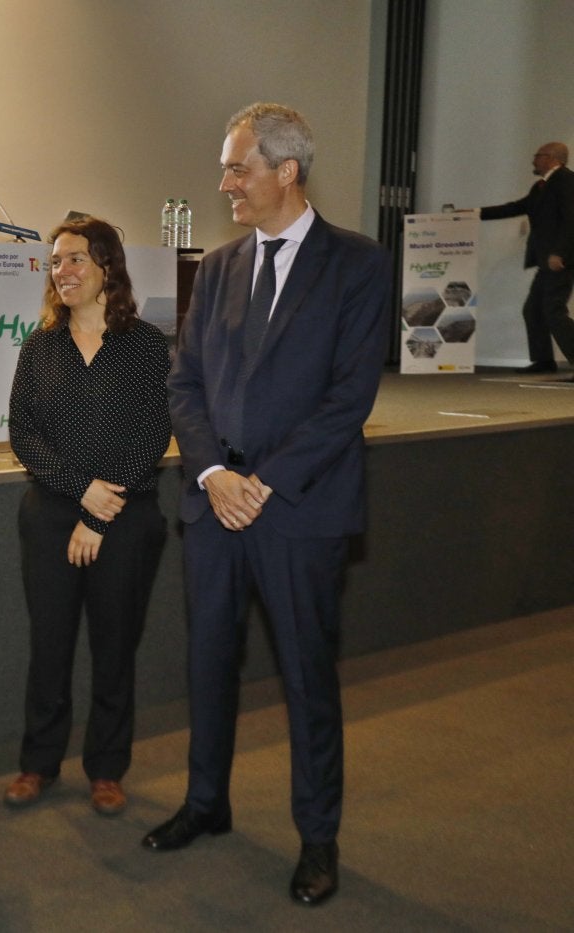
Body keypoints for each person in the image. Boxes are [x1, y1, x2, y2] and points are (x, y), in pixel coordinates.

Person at [146, 102, 390, 908]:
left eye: (237, 169)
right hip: (215, 504)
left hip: (300, 510)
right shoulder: (216, 268)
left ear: (287, 171)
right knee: (208, 663)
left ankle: (318, 839)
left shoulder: (356, 264)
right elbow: (184, 383)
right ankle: (206, 802)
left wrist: (266, 482)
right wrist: (215, 473)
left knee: (307, 680)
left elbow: (347, 399)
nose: (225, 185)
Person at [2, 217, 171, 816]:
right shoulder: (40, 345)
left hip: (127, 520)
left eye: (75, 259)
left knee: (114, 647)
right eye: (55, 262)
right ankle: (38, 764)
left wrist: (101, 514)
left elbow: (152, 432)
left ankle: (107, 769)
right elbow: (24, 433)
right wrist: (82, 493)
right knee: (49, 648)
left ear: (106, 267)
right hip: (50, 517)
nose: (63, 271)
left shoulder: (147, 344)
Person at [478, 142, 574, 377]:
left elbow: (572, 219)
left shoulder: (565, 180)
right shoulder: (541, 186)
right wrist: (472, 215)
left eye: (537, 156)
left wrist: (559, 252)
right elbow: (515, 208)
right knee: (533, 310)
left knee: (553, 311)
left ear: (552, 158)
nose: (533, 160)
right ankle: (543, 360)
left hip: (560, 259)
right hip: (546, 261)